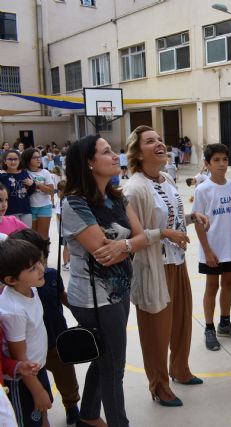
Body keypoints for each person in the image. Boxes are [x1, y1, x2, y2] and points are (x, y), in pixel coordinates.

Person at [62, 134, 148, 426]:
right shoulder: (74, 204)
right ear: (88, 163)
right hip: (93, 298)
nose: (115, 156)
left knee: (105, 358)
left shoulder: (117, 197)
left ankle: (88, 415)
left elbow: (141, 236)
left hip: (119, 290)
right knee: (113, 366)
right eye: (107, 151)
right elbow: (103, 253)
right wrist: (130, 245)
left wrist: (124, 246)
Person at [123, 126, 208, 408]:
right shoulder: (133, 189)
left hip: (177, 261)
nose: (159, 143)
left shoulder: (167, 178)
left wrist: (192, 217)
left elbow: (170, 219)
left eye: (160, 139)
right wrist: (167, 234)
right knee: (155, 333)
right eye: (150, 141)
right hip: (153, 267)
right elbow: (132, 236)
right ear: (137, 152)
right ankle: (159, 385)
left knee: (182, 322)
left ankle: (180, 369)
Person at [8, 229, 81, 424]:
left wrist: (80, 313)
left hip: (57, 341)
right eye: (33, 264)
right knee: (38, 400)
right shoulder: (13, 302)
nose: (41, 267)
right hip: (31, 358)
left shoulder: (49, 276)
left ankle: (71, 405)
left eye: (42, 259)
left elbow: (62, 297)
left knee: (67, 380)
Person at [193, 143, 231, 351]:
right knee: (211, 286)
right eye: (216, 160)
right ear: (207, 164)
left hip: (229, 247)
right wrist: (207, 251)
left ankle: (225, 322)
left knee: (229, 284)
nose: (222, 164)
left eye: (224, 160)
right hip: (212, 249)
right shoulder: (203, 189)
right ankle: (209, 328)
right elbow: (198, 222)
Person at [0, 239, 52, 427]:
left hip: (37, 368)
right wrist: (37, 390)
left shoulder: (30, 289)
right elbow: (19, 357)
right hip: (23, 380)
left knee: (43, 413)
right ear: (11, 280)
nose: (40, 269)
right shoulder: (13, 311)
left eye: (38, 262)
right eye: (31, 269)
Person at [22, 149, 54, 239]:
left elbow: (51, 191)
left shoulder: (45, 172)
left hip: (44, 207)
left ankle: (44, 253)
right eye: (34, 157)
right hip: (29, 208)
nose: (38, 159)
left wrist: (36, 184)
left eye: (39, 157)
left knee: (43, 237)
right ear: (28, 159)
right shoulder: (24, 173)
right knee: (32, 237)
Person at [0, 150, 36, 227]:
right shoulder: (2, 175)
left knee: (26, 235)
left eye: (15, 159)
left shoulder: (23, 173)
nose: (13, 162)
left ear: (19, 161)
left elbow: (29, 193)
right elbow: (6, 192)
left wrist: (33, 184)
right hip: (10, 211)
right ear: (5, 161)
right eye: (10, 159)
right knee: (13, 237)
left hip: (25, 210)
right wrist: (5, 177)